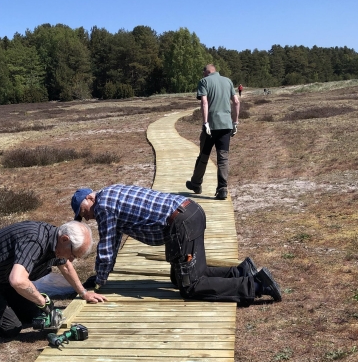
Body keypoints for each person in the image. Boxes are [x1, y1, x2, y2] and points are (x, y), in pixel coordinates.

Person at [71, 185, 281, 304]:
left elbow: (107, 247)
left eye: (83, 211)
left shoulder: (103, 206)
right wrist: (102, 275)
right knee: (182, 276)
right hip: (190, 212)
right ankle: (242, 271)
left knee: (190, 286)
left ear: (90, 198)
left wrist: (98, 282)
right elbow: (114, 241)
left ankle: (257, 285)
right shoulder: (111, 192)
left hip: (180, 224)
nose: (87, 217)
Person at [0, 220, 106, 336]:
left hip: (4, 277)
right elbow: (18, 280)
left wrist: (84, 293)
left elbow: (65, 266)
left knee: (34, 315)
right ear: (65, 239)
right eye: (73, 254)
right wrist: (43, 302)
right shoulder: (35, 240)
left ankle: (3, 302)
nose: (71, 259)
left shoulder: (57, 243)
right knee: (9, 328)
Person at [186, 64, 240, 200]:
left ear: (207, 71)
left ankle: (196, 184)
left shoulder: (204, 82)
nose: (203, 75)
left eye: (203, 72)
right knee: (223, 157)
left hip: (211, 125)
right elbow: (236, 101)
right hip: (226, 125)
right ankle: (222, 188)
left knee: (203, 156)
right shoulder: (228, 81)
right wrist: (235, 122)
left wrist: (205, 123)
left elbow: (204, 102)